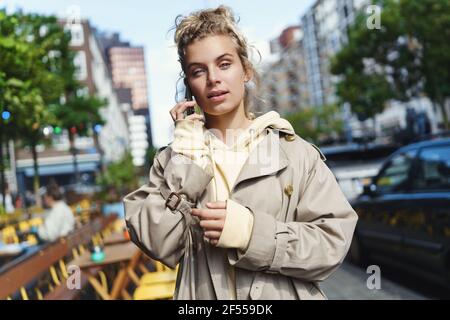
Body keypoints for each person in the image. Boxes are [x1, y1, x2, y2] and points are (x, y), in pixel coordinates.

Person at [123, 6, 358, 300]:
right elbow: (157, 242)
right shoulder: (173, 159)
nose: (213, 79)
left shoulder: (295, 153)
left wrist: (250, 233)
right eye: (198, 70)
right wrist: (186, 157)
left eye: (224, 64)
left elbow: (331, 244)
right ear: (189, 85)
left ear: (245, 70)